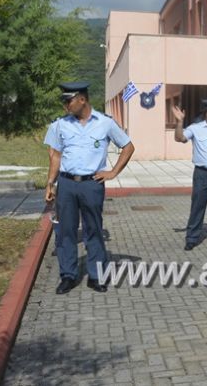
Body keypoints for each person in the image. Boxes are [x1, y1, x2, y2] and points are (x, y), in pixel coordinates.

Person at [44, 82, 135, 294]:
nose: (65, 105)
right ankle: (68, 275)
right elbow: (55, 155)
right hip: (66, 184)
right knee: (65, 231)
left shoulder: (105, 123)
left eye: (69, 101)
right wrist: (51, 183)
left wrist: (113, 172)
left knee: (93, 230)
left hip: (92, 185)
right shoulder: (60, 125)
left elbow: (128, 147)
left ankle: (96, 276)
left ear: (82, 100)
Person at [172, 99, 207, 250]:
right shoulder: (195, 128)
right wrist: (179, 122)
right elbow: (180, 138)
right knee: (197, 206)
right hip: (202, 174)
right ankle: (192, 238)